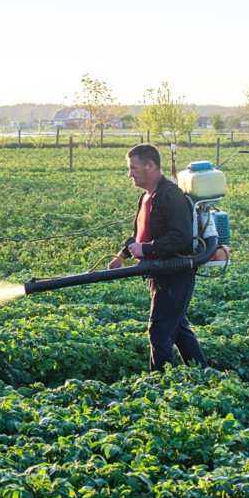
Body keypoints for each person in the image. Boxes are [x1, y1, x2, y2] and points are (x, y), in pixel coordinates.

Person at [107, 144, 208, 371]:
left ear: (150, 165)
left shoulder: (171, 196)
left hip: (174, 274)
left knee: (159, 331)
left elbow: (181, 237)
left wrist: (148, 248)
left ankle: (161, 385)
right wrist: (122, 256)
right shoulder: (146, 197)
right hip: (157, 274)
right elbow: (139, 235)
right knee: (178, 329)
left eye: (133, 168)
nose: (129, 174)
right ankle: (203, 374)